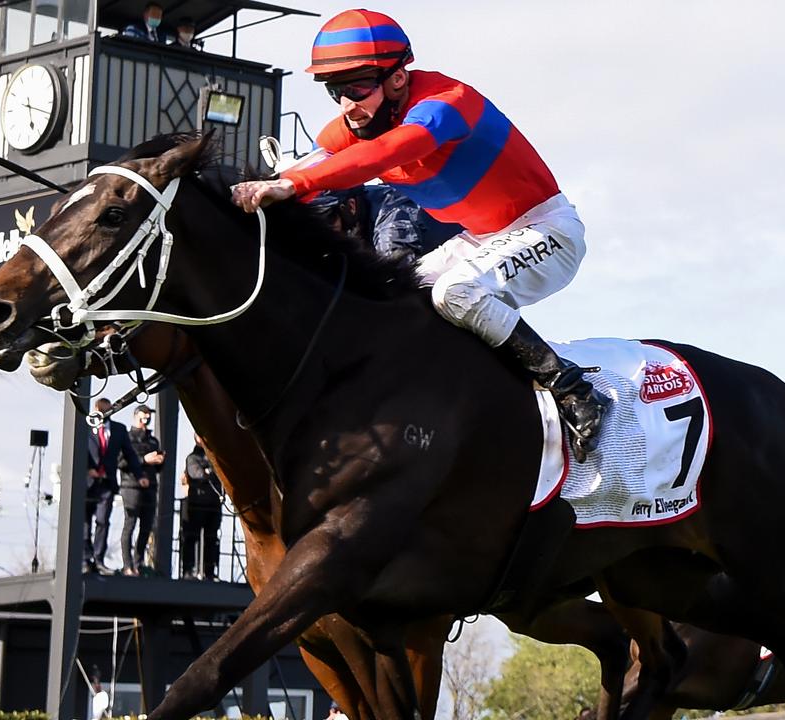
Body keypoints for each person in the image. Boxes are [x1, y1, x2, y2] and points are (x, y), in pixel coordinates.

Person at [230, 9, 610, 461]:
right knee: (392, 294)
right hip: (483, 237)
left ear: (396, 78)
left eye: (357, 87)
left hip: (548, 229)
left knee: (456, 291)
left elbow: (392, 149)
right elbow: (313, 163)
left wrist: (293, 184)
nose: (347, 104)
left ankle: (571, 389)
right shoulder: (353, 125)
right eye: (336, 91)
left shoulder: (447, 102)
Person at [307, 184, 462, 260]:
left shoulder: (392, 214)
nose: (321, 233)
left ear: (350, 207)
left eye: (325, 223)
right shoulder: (357, 214)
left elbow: (396, 267)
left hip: (469, 261)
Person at [86, 398, 143, 574]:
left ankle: (98, 558)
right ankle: (84, 559)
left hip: (107, 482)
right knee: (84, 521)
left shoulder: (118, 429)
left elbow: (129, 454)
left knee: (103, 521)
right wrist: (88, 469)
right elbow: (80, 449)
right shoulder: (85, 426)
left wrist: (139, 475)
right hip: (88, 482)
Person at [118, 404, 165, 576]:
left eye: (149, 415)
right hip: (131, 486)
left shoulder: (153, 441)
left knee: (146, 526)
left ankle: (138, 563)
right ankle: (127, 565)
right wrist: (144, 459)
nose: (147, 418)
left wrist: (159, 461)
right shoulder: (126, 437)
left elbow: (158, 469)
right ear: (136, 415)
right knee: (129, 525)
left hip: (151, 487)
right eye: (143, 414)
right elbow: (121, 463)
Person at [180, 436, 222, 580]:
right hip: (196, 504)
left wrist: (210, 472)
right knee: (191, 538)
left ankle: (209, 572)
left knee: (212, 539)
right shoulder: (192, 458)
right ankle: (188, 571)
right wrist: (209, 472)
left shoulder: (216, 458)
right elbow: (197, 474)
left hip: (213, 504)